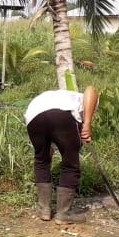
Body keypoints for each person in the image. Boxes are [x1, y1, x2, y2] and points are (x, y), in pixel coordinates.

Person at [25, 85, 99, 224]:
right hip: (62, 114)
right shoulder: (79, 99)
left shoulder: (58, 96)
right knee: (70, 163)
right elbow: (91, 90)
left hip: (33, 115)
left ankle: (44, 210)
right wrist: (87, 124)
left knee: (41, 160)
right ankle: (64, 214)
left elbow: (51, 148)